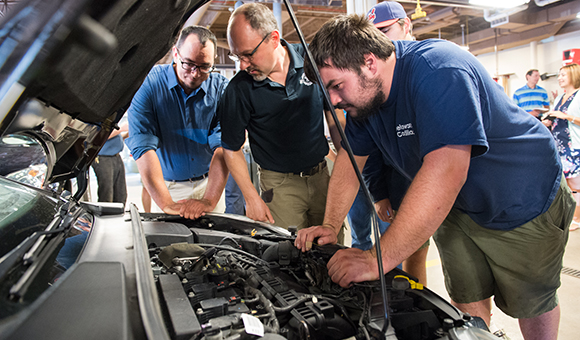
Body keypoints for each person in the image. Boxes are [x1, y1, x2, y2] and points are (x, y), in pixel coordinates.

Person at [294, 15, 574, 340]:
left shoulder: (438, 70)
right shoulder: (365, 102)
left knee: (531, 301)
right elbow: (349, 160)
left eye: (336, 86)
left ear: (369, 62)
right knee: (466, 297)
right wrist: (330, 225)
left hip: (521, 197)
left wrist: (376, 258)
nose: (335, 101)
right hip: (456, 207)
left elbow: (447, 171)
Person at [219, 3, 340, 237]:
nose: (242, 65)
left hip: (322, 176)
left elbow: (334, 117)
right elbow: (231, 149)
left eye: (248, 54)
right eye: (237, 56)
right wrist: (251, 197)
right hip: (280, 185)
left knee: (330, 249)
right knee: (288, 253)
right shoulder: (239, 89)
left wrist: (346, 164)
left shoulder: (311, 62)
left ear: (273, 39)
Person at [126, 26, 229, 219]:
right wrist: (166, 203)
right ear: (175, 53)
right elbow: (142, 145)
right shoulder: (149, 85)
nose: (195, 73)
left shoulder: (221, 89)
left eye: (204, 66)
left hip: (210, 185)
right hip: (167, 188)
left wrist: (209, 200)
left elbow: (224, 147)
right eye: (188, 63)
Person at [543, 63, 580, 231]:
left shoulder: (578, 96)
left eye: (563, 75)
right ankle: (568, 214)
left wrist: (566, 116)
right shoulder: (559, 98)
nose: (559, 78)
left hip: (574, 145)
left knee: (576, 184)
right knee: (563, 183)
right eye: (559, 75)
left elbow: (569, 118)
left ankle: (577, 218)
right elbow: (555, 117)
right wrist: (548, 120)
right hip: (559, 145)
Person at [91, 122, 128, 204]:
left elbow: (113, 137)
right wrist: (120, 129)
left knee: (121, 195)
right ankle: (105, 216)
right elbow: (99, 137)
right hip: (103, 158)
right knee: (107, 195)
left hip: (116, 156)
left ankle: (117, 216)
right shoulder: (99, 116)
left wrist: (126, 134)